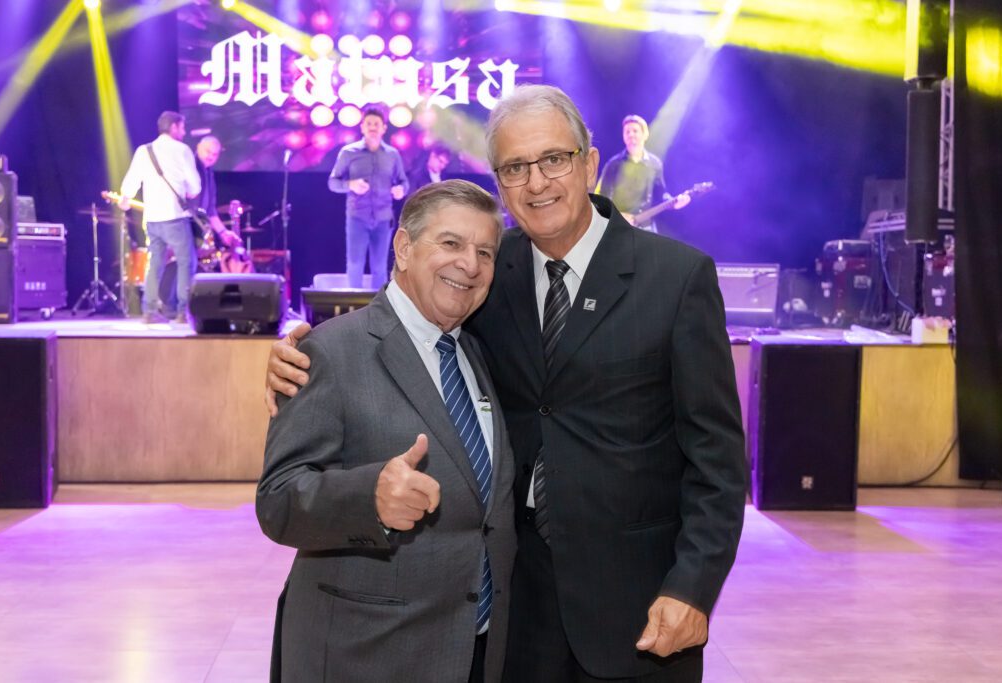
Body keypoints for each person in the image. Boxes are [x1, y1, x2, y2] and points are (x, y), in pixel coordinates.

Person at [267, 85, 747, 682]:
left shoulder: (676, 278)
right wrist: (305, 348)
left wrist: (694, 586)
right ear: (500, 183)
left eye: (554, 159)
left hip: (641, 607)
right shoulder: (489, 270)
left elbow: (717, 459)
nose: (537, 182)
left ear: (590, 164)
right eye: (515, 167)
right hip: (515, 614)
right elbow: (403, 321)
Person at [257, 180, 517, 682]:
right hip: (367, 655)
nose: (470, 264)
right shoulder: (329, 350)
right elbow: (278, 501)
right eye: (451, 242)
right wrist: (368, 499)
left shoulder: (477, 352)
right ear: (402, 247)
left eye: (485, 252)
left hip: (474, 653)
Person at [118, 110, 201, 323]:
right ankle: (183, 312)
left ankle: (149, 311)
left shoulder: (143, 150)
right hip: (174, 217)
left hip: (152, 218)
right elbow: (195, 187)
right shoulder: (182, 150)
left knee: (155, 263)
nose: (184, 132)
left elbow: (131, 181)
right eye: (182, 127)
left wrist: (125, 198)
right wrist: (189, 191)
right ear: (173, 127)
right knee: (186, 262)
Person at [328, 106, 409, 289]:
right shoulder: (349, 152)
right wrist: (350, 184)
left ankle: (379, 306)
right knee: (355, 264)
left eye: (376, 124)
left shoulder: (392, 154)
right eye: (369, 123)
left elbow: (403, 182)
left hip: (383, 218)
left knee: (380, 267)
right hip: (357, 217)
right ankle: (353, 305)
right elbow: (333, 182)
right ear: (362, 127)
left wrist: (400, 190)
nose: (373, 127)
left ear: (384, 128)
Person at [597, 114, 689, 232]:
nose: (631, 134)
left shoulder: (655, 164)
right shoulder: (613, 164)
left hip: (646, 227)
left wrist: (674, 202)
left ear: (644, 134)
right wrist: (618, 216)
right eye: (627, 131)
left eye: (635, 131)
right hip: (620, 226)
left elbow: (661, 194)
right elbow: (601, 199)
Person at [194, 135, 238, 250]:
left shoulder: (209, 172)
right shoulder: (189, 167)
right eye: (208, 152)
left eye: (215, 154)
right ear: (198, 147)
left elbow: (210, 211)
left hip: (197, 229)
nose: (211, 157)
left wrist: (223, 232)